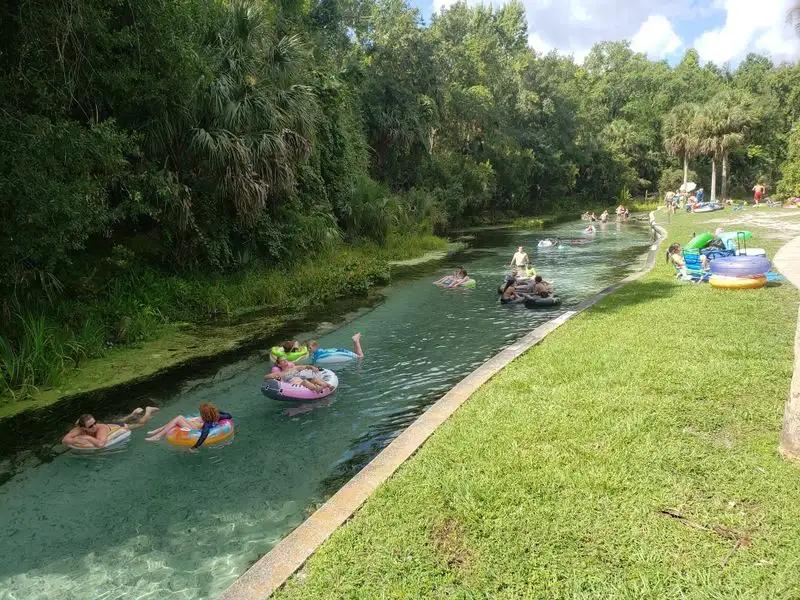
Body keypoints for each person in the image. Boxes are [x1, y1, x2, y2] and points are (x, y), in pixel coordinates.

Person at [145, 403, 232, 449]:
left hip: (196, 430)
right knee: (179, 418)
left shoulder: (207, 424)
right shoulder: (219, 416)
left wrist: (194, 447)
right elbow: (229, 415)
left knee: (178, 419)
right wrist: (216, 411)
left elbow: (204, 435)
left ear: (204, 414)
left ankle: (158, 435)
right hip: (200, 425)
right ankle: (156, 432)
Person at [62, 407, 159, 448]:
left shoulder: (100, 429)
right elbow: (65, 439)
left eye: (95, 422)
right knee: (121, 420)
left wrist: (87, 438)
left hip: (116, 427)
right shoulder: (78, 429)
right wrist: (76, 441)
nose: (94, 426)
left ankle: (148, 411)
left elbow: (100, 445)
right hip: (109, 424)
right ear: (83, 428)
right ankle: (132, 414)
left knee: (141, 423)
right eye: (91, 426)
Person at [264, 358, 335, 393]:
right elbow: (266, 377)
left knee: (313, 378)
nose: (285, 361)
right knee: (305, 381)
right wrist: (275, 378)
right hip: (296, 384)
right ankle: (318, 388)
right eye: (283, 360)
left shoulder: (294, 368)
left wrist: (312, 367)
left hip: (303, 380)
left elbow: (306, 366)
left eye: (286, 359)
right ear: (279, 365)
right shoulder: (279, 373)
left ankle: (327, 385)